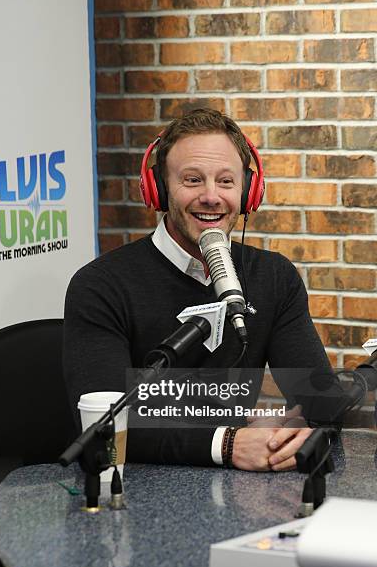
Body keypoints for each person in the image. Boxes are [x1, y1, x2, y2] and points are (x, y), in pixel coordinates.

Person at [63, 108, 334, 472]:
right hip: (135, 492)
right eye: (192, 180)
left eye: (226, 181)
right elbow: (106, 425)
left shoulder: (273, 276)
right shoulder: (100, 285)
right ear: (157, 189)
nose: (211, 196)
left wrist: (291, 430)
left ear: (249, 192)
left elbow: (321, 401)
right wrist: (227, 443)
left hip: (243, 492)